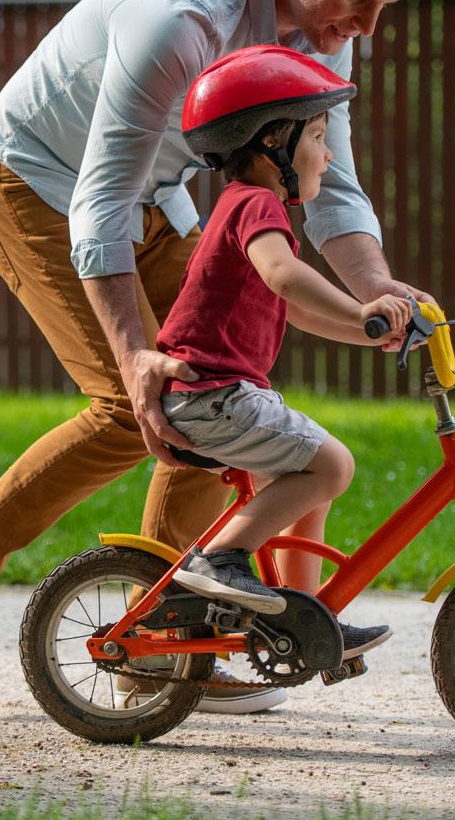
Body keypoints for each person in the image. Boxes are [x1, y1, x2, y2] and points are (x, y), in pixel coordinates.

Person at [0, 0, 435, 712]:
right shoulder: (183, 18)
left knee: (220, 392)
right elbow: (98, 198)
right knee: (133, 399)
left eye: (381, 7)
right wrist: (136, 353)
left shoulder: (330, 27)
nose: (362, 24)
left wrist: (378, 288)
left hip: (155, 195)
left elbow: (331, 187)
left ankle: (169, 630)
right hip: (36, 182)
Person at [157, 46, 410, 656]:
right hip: (211, 392)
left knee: (306, 477)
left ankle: (307, 618)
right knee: (332, 467)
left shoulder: (245, 206)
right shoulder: (256, 203)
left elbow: (287, 306)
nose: (327, 152)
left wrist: (369, 332)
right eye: (318, 135)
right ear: (273, 140)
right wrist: (360, 308)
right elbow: (285, 277)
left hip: (212, 393)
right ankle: (219, 560)